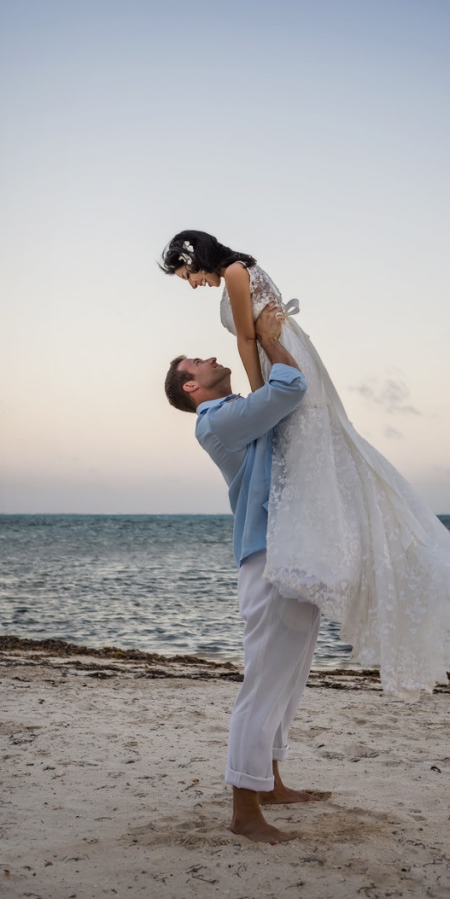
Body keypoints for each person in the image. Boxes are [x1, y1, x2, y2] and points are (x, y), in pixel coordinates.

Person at [160, 230, 450, 699]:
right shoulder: (238, 276)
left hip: (282, 358)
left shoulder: (233, 271)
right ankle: (321, 552)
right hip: (288, 357)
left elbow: (249, 337)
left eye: (185, 275)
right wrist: (264, 392)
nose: (191, 284)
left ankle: (319, 553)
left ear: (193, 258)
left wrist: (260, 389)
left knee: (304, 448)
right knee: (306, 455)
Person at [165, 302, 321, 845]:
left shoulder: (235, 407)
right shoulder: (218, 421)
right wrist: (268, 336)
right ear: (191, 388)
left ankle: (271, 783)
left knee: (288, 681)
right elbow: (289, 388)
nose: (210, 357)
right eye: (197, 362)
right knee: (263, 685)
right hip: (267, 559)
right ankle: (244, 811)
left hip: (289, 551)